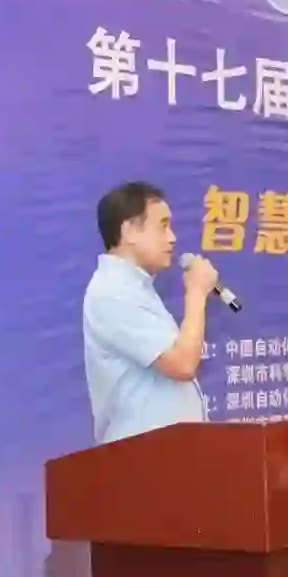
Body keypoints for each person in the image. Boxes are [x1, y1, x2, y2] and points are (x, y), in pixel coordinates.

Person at [83, 181, 219, 443]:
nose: (172, 237)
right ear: (129, 231)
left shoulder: (136, 288)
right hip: (141, 454)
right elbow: (182, 364)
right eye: (163, 226)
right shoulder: (113, 293)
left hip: (167, 450)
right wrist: (196, 293)